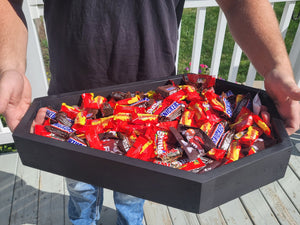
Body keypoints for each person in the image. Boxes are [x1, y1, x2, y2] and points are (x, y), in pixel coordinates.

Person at [0, 0, 299, 224]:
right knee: (80, 189)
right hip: (71, 107)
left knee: (133, 196)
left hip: (156, 108)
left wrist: (275, 66)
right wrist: (9, 66)